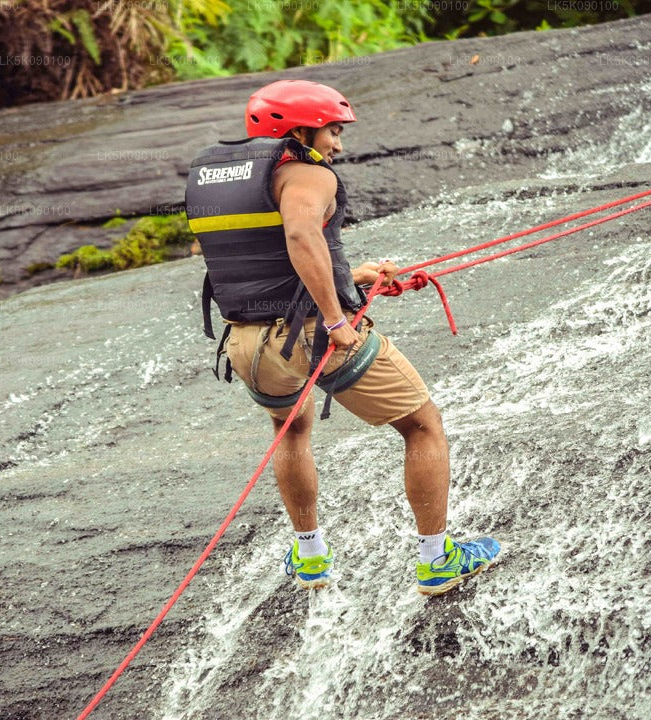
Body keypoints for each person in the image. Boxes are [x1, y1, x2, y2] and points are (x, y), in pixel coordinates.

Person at [184, 79, 501, 596]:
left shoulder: (218, 177)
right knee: (422, 425)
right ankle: (437, 559)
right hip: (315, 335)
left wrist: (352, 278)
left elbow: (262, 257)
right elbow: (300, 235)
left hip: (247, 343)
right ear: (300, 128)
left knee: (290, 431)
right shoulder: (308, 175)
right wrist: (337, 319)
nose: (338, 144)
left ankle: (309, 558)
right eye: (332, 130)